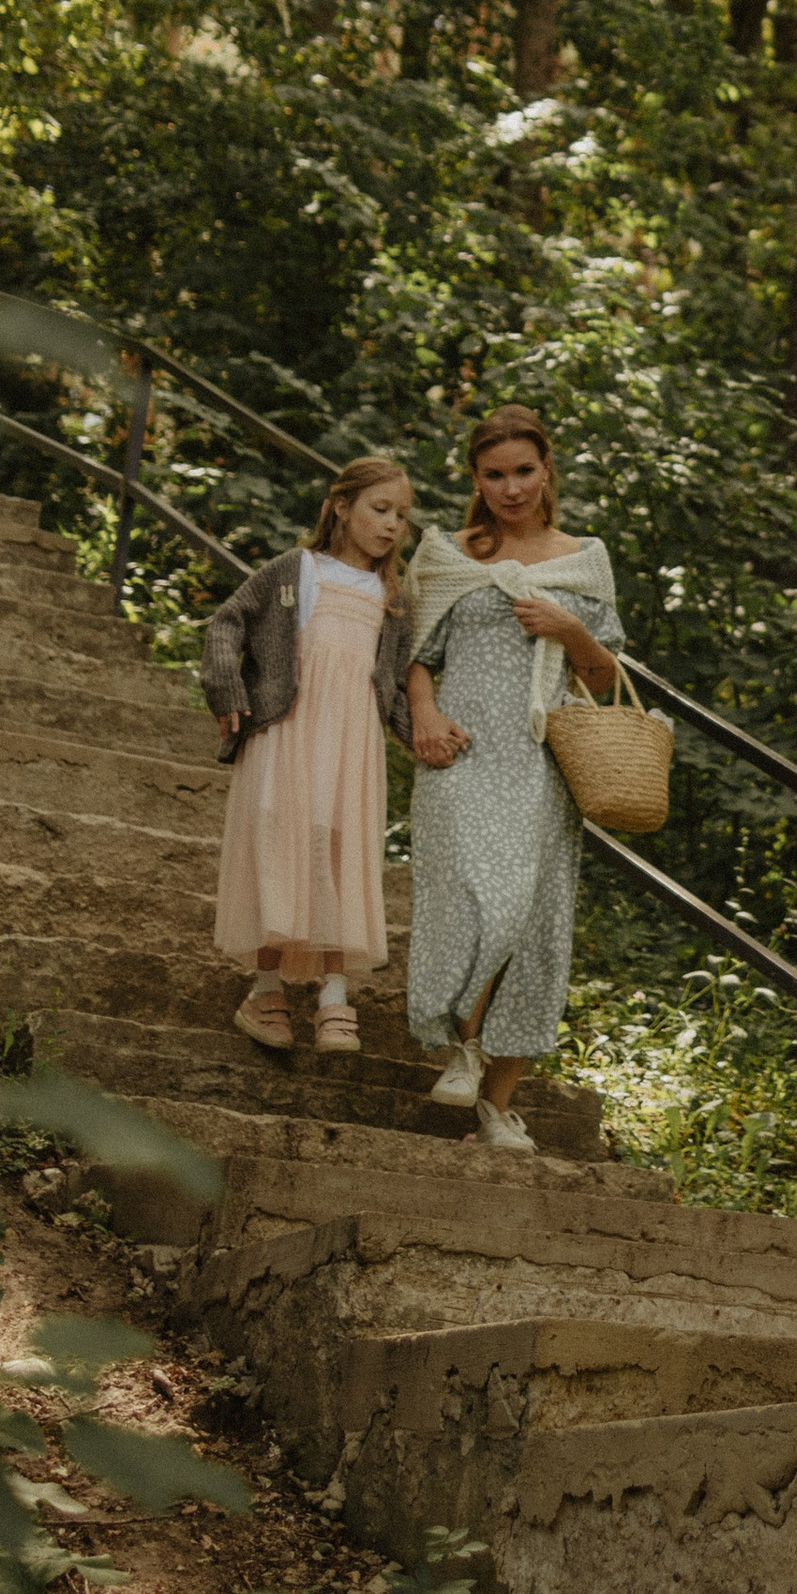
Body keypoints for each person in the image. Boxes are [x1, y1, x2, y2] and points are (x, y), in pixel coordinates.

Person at [404, 404, 624, 1155]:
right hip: (459, 754)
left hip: (541, 766)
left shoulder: (582, 561)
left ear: (547, 469)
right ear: (474, 478)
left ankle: (498, 1104)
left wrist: (570, 630)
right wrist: (425, 716)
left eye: (523, 471)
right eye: (494, 474)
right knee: (475, 896)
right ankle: (462, 1047)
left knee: (533, 924)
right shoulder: (446, 557)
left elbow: (604, 675)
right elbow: (413, 658)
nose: (511, 487)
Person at [202, 456, 416, 1058]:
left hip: (352, 746)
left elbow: (394, 683)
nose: (393, 525)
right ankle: (265, 989)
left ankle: (333, 993)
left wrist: (426, 735)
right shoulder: (296, 570)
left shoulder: (391, 596)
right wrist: (227, 689)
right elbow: (228, 621)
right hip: (286, 733)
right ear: (341, 507)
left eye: (402, 516)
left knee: (338, 847)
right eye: (380, 510)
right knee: (282, 842)